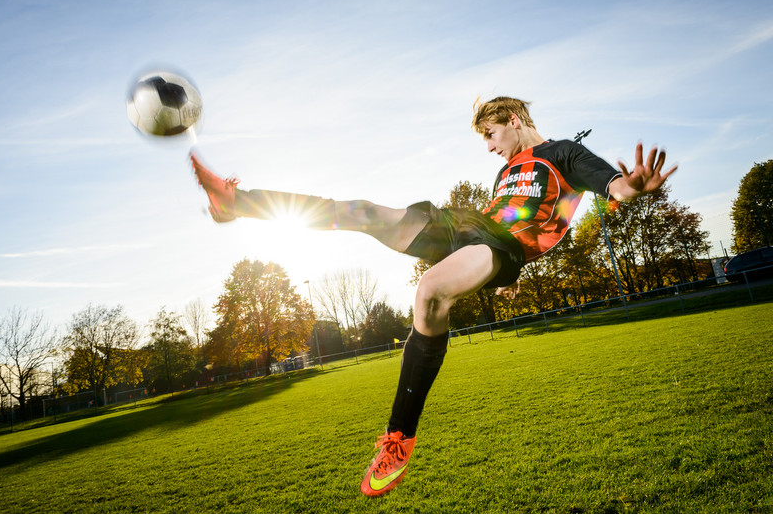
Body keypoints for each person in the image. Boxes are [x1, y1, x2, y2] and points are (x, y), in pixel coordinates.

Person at [189, 96, 677, 497]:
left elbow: (612, 187)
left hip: (497, 248)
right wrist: (506, 276)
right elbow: (516, 216)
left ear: (514, 119)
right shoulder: (505, 174)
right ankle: (238, 204)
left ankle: (398, 438)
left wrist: (632, 187)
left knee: (429, 293)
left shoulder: (564, 153)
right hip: (468, 226)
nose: (490, 147)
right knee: (363, 213)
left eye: (491, 135)